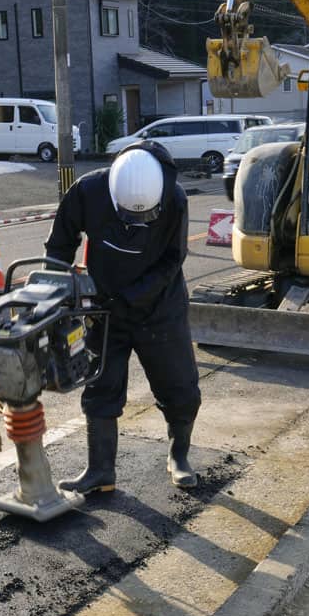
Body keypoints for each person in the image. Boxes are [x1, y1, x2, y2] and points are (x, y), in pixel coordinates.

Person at [44, 141, 201, 492]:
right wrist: (55, 289)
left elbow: (172, 259)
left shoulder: (174, 199)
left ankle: (179, 456)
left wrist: (130, 298)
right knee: (101, 386)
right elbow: (59, 245)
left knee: (180, 387)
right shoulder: (88, 191)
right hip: (104, 310)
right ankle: (100, 471)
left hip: (160, 309)